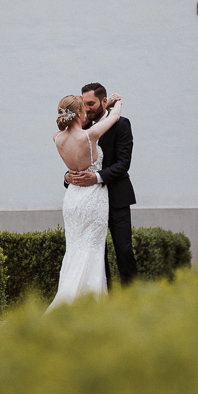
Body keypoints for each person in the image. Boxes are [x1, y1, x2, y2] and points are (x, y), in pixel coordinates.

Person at [46, 92, 123, 312]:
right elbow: (114, 117)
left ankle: (69, 298)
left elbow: (66, 139)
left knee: (74, 249)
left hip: (72, 197)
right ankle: (91, 307)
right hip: (92, 197)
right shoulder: (89, 136)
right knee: (93, 249)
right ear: (80, 113)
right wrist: (117, 101)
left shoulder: (57, 138)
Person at [67, 83, 138, 287]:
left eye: (91, 103)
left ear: (104, 102)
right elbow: (73, 161)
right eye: (84, 104)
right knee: (97, 253)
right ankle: (103, 298)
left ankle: (131, 300)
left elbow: (123, 164)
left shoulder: (122, 124)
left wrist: (96, 177)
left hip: (117, 197)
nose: (86, 108)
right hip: (89, 201)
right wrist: (68, 177)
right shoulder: (81, 128)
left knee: (124, 250)